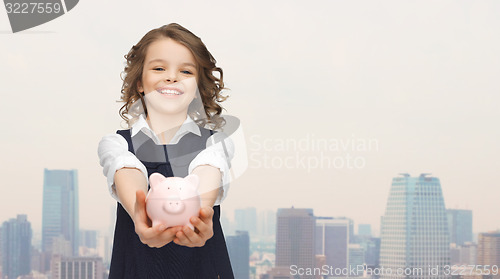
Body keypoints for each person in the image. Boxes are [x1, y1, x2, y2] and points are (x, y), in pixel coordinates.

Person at [97, 23, 235, 278]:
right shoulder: (115, 143)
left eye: (185, 71)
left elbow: (207, 170)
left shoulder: (217, 143)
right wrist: (141, 216)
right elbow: (127, 168)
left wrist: (197, 217)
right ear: (139, 83)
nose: (171, 77)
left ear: (196, 89)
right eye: (159, 68)